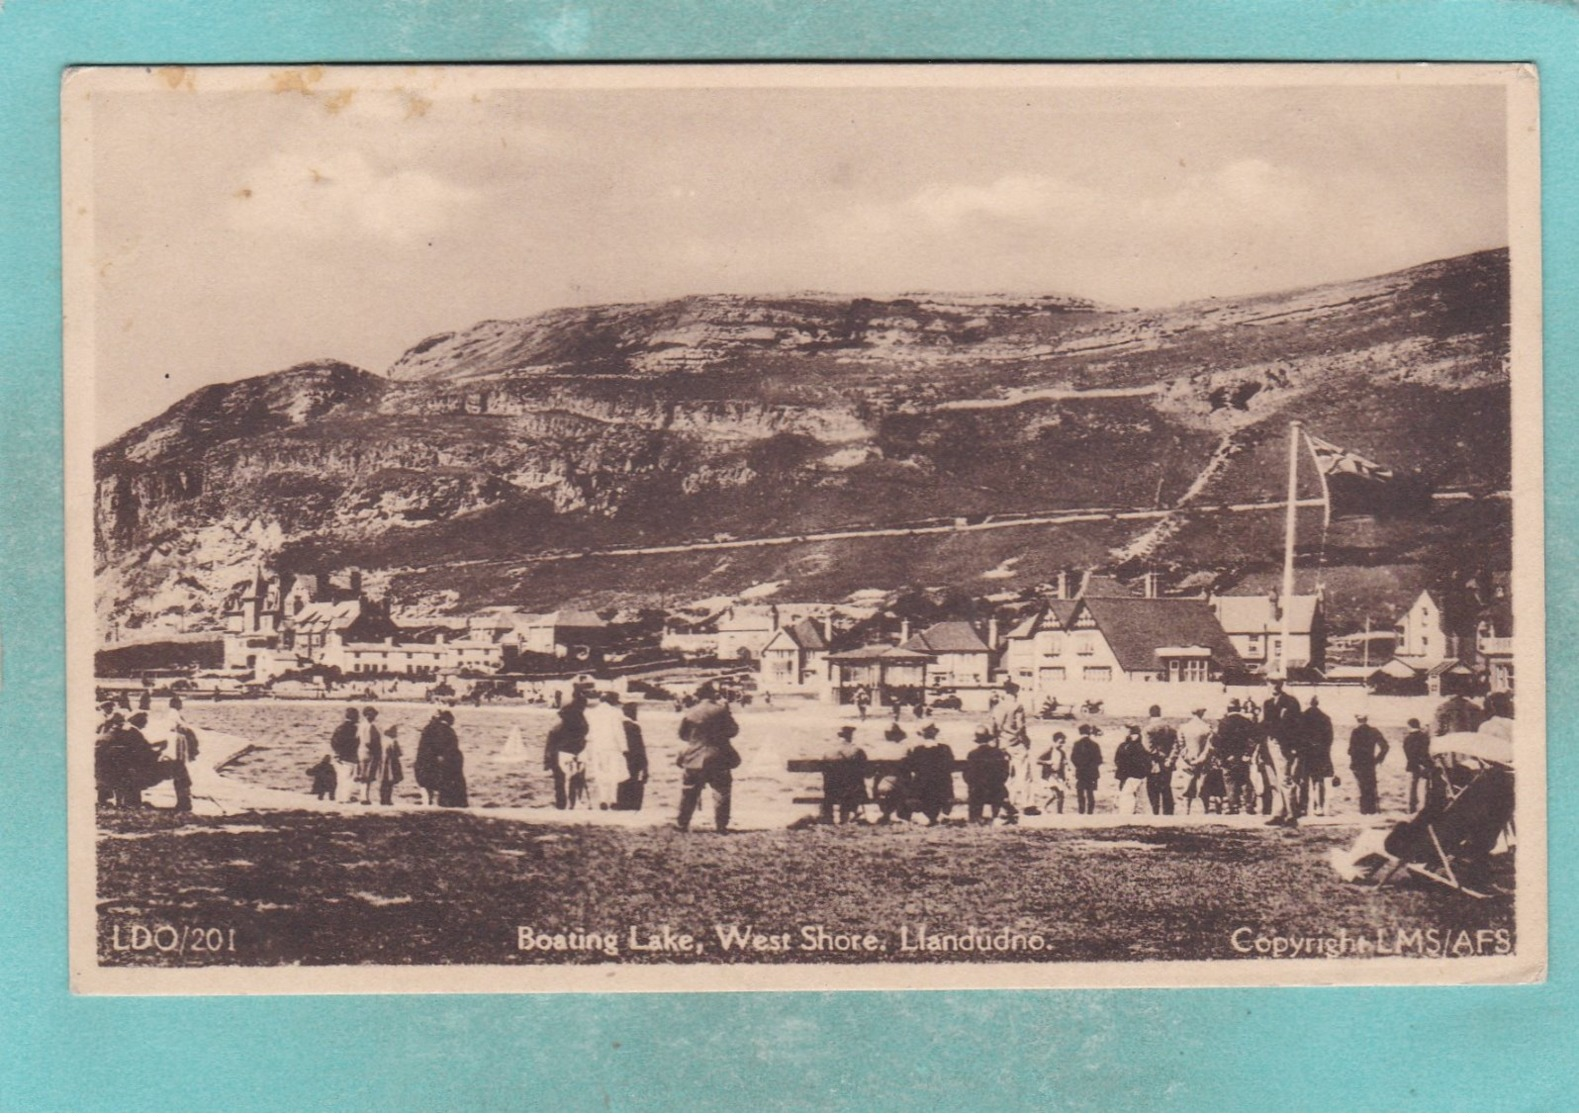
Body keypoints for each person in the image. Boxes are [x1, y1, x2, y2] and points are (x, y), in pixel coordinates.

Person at [676, 682, 740, 833]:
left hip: (693, 757)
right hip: (718, 756)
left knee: (689, 791)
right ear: (714, 694)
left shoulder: (690, 712)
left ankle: (682, 824)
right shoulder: (721, 711)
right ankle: (721, 825)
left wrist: (696, 740)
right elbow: (733, 731)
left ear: (697, 696)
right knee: (721, 791)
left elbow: (682, 735)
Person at [1260, 679, 1304, 826]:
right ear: (1267, 684)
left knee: (1285, 779)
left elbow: (1297, 726)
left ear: (1282, 684)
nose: (1274, 685)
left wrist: (1294, 746)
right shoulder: (1267, 703)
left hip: (1284, 745)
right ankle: (1278, 813)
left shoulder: (1291, 702)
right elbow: (1265, 724)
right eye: (1271, 682)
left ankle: (1292, 815)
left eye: (1277, 682)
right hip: (1269, 743)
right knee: (1275, 781)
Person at [583, 691, 629, 810]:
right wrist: (624, 747)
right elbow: (619, 731)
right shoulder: (616, 712)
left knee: (600, 773)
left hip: (598, 746)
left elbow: (589, 732)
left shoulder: (592, 713)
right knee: (614, 773)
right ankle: (613, 799)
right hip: (613, 747)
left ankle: (602, 799)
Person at [544, 689, 589, 810]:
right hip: (577, 755)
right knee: (577, 781)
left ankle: (562, 804)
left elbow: (549, 746)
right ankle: (573, 803)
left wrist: (547, 762)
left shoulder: (557, 729)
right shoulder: (583, 726)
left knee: (560, 783)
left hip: (560, 756)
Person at [903, 723, 956, 825]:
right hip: (942, 785)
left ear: (922, 735)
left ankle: (921, 815)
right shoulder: (945, 748)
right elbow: (950, 765)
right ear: (935, 734)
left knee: (915, 785)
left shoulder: (918, 750)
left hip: (923, 785)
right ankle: (943, 814)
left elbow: (913, 767)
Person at [963, 724, 1016, 825]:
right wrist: (998, 782)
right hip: (995, 788)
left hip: (978, 789)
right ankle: (996, 816)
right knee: (1000, 792)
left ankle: (975, 818)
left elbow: (968, 774)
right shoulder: (998, 753)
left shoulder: (973, 754)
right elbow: (1005, 772)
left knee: (974, 793)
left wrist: (972, 784)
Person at [1215, 700, 1259, 815]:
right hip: (1242, 757)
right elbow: (1254, 739)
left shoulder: (1223, 722)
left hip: (1228, 757)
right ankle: (1248, 805)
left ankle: (1232, 806)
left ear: (1228, 709)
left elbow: (1219, 742)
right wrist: (1247, 754)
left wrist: (1224, 756)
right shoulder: (1247, 722)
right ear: (1239, 709)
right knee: (1245, 780)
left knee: (1230, 781)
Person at [821, 725, 870, 824]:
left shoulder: (828, 751)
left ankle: (829, 816)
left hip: (832, 790)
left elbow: (824, 772)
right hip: (850, 791)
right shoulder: (857, 750)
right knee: (856, 783)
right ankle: (847, 814)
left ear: (839, 736)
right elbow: (866, 771)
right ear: (850, 736)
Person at [1348, 713, 1390, 815]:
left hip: (1357, 764)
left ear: (1358, 720)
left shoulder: (1355, 732)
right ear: (1366, 720)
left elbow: (1350, 750)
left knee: (1362, 788)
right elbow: (1385, 747)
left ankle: (1364, 811)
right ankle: (1372, 810)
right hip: (1370, 763)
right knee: (1371, 786)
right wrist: (1378, 759)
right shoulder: (1374, 731)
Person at [1176, 707, 1215, 816]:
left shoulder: (1183, 727)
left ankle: (1187, 811)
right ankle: (1206, 811)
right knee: (1204, 786)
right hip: (1204, 761)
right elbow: (1209, 747)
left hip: (1188, 761)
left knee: (1188, 786)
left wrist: (1188, 758)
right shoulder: (1207, 728)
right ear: (1202, 713)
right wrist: (1201, 758)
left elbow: (1181, 746)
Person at [1302, 695, 1336, 816]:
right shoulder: (1325, 718)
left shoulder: (1302, 716)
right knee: (1319, 781)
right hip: (1321, 754)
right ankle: (1319, 807)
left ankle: (1303, 808)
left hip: (1305, 753)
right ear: (1317, 703)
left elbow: (1298, 736)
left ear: (1307, 703)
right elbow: (1330, 738)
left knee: (1304, 781)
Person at [1143, 705, 1179, 816]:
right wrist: (1170, 760)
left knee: (1152, 788)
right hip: (1168, 763)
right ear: (1160, 713)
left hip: (1154, 763)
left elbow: (1148, 748)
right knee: (1166, 787)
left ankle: (1155, 813)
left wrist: (1159, 756)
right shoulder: (1170, 728)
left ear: (1150, 714)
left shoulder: (1148, 729)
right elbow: (1176, 746)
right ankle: (1168, 814)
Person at [414, 709, 452, 805]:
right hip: (429, 761)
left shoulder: (429, 729)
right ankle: (430, 802)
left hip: (425, 760)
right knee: (430, 782)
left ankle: (428, 803)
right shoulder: (436, 729)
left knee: (426, 783)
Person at [1113, 725, 1151, 816]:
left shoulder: (1125, 746)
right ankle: (1143, 815)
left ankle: (1126, 816)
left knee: (1127, 796)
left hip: (1129, 775)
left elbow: (1117, 760)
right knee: (1141, 798)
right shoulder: (1140, 746)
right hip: (1137, 775)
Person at [618, 702, 649, 811]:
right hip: (635, 760)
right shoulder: (634, 727)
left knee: (622, 784)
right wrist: (645, 766)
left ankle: (622, 806)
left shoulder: (619, 725)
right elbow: (640, 748)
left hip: (622, 759)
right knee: (635, 785)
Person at [329, 707, 361, 803]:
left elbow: (333, 742)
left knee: (341, 778)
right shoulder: (354, 729)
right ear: (354, 716)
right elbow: (356, 742)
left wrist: (337, 753)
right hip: (349, 757)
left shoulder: (340, 728)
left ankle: (340, 797)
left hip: (339, 756)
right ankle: (346, 798)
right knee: (348, 778)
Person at [1402, 717, 1433, 813]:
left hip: (1412, 766)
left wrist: (1416, 762)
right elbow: (1425, 751)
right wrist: (1425, 764)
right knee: (1424, 790)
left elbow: (1408, 753)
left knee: (1412, 790)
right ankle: (1424, 810)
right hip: (1425, 765)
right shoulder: (1424, 737)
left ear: (1409, 726)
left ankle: (1411, 810)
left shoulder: (1407, 738)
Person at [1035, 731, 1070, 815]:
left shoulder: (1062, 753)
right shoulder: (1049, 750)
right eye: (1060, 743)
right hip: (1049, 775)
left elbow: (1063, 765)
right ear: (1054, 741)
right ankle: (1047, 808)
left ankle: (1058, 811)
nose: (1061, 745)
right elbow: (1037, 760)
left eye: (1063, 743)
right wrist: (1047, 762)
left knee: (1059, 795)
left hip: (1058, 776)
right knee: (1056, 793)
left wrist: (1065, 776)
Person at [1070, 725, 1103, 815]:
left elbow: (1073, 758)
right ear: (1089, 733)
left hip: (1081, 772)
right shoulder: (1095, 745)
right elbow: (1099, 760)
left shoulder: (1077, 744)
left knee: (1080, 792)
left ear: (1080, 732)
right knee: (1090, 793)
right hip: (1092, 773)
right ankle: (1090, 813)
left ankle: (1081, 812)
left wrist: (1079, 766)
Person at [354, 706, 383, 805]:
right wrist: (377, 752)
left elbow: (357, 738)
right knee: (368, 776)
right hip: (369, 753)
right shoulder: (370, 726)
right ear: (367, 715)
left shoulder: (361, 725)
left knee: (363, 776)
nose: (374, 716)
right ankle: (364, 797)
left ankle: (363, 796)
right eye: (373, 714)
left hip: (361, 751)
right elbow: (368, 742)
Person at [377, 725, 405, 805]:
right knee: (389, 782)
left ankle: (383, 799)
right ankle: (387, 799)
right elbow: (398, 753)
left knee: (383, 782)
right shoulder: (393, 741)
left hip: (382, 763)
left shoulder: (381, 740)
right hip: (391, 763)